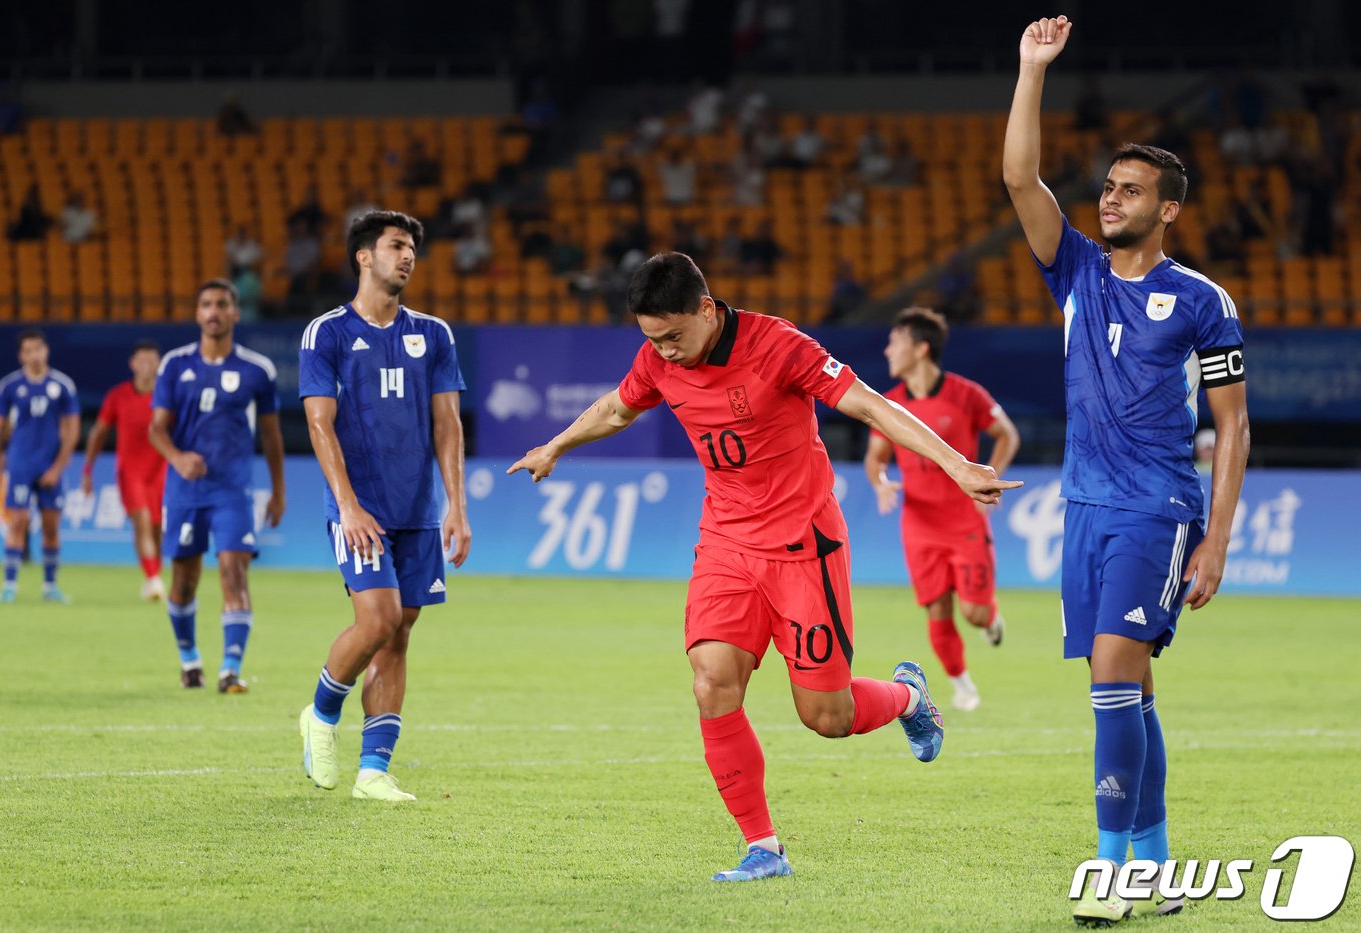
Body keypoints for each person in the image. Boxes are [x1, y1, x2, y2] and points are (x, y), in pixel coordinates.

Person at [508, 252, 1019, 881]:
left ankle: (909, 696)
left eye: (673, 337)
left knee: (826, 717)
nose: (664, 352)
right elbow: (618, 408)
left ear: (706, 309)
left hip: (805, 547)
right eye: (652, 340)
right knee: (711, 680)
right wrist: (556, 445)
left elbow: (866, 404)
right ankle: (764, 848)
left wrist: (955, 463)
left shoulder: (777, 345)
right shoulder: (658, 359)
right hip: (726, 544)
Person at [1004, 16, 1250, 925]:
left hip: (1157, 508)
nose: (1111, 199)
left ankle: (1114, 872)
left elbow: (1233, 424)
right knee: (1128, 689)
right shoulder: (1075, 271)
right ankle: (1156, 860)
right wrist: (1031, 70)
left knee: (1113, 669)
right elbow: (1019, 179)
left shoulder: (1202, 302)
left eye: (1131, 190)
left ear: (1168, 209)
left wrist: (1216, 541)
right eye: (1108, 187)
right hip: (1085, 506)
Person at [297, 211, 470, 803]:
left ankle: (373, 770)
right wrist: (347, 506)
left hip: (418, 509)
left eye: (412, 247)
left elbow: (448, 425)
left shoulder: (435, 334)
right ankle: (321, 714)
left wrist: (456, 506)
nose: (408, 256)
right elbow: (319, 425)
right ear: (364, 256)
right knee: (377, 620)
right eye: (396, 245)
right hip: (360, 508)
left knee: (400, 632)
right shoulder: (327, 333)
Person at [864, 308, 1020, 712]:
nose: (887, 351)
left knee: (974, 613)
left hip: (964, 520)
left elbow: (1007, 435)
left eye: (895, 342)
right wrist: (880, 483)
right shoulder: (889, 404)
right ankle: (962, 685)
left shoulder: (967, 394)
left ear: (920, 348)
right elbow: (876, 457)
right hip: (919, 525)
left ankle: (990, 620)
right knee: (937, 607)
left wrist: (988, 478)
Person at [148, 279, 286, 692]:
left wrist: (278, 491)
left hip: (233, 490)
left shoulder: (257, 370)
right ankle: (190, 660)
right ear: (197, 313)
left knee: (233, 570)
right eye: (207, 304)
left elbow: (272, 435)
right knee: (183, 581)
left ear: (235, 313)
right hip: (185, 491)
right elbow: (156, 429)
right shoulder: (174, 365)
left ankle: (230, 670)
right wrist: (178, 458)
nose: (214, 311)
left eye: (222, 304)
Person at [0, 329, 79, 603]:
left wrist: (57, 468)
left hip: (49, 466)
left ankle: (50, 586)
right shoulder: (9, 386)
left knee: (51, 527)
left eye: (38, 349)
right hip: (20, 464)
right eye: (28, 351)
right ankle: (9, 585)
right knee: (17, 522)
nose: (34, 355)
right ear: (21, 355)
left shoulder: (62, 385)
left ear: (46, 350)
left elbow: (72, 431)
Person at [81, 340, 168, 600]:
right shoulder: (118, 396)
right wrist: (88, 470)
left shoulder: (168, 395)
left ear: (159, 364)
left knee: (157, 527)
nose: (147, 365)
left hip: (161, 470)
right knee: (142, 521)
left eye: (152, 360)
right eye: (142, 360)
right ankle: (152, 578)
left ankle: (154, 573)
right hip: (130, 471)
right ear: (132, 364)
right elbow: (99, 433)